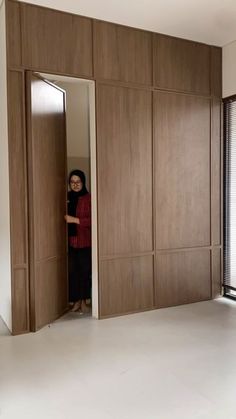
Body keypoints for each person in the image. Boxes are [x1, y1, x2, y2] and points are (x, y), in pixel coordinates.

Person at [65, 169, 91, 313]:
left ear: (83, 182)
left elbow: (93, 220)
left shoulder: (88, 198)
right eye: (72, 182)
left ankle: (84, 301)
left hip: (85, 242)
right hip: (70, 241)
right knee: (72, 272)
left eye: (78, 182)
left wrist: (75, 220)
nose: (75, 185)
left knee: (84, 272)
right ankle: (75, 301)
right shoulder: (66, 197)